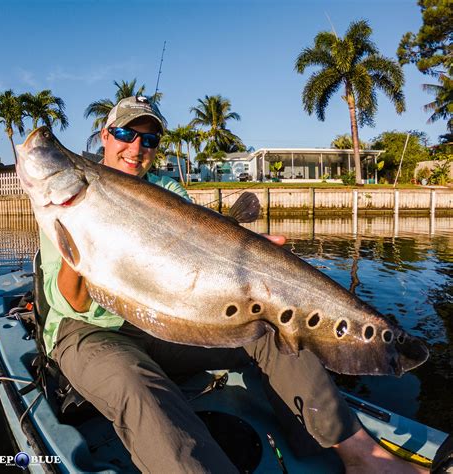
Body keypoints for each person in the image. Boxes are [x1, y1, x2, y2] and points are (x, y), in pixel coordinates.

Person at [40, 96, 427, 474]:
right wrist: (81, 232)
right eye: (126, 132)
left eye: (150, 139)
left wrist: (255, 263)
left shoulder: (167, 191)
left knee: (272, 333)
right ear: (106, 135)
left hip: (161, 320)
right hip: (89, 332)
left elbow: (197, 263)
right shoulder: (66, 197)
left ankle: (358, 453)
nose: (136, 146)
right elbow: (72, 301)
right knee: (135, 387)